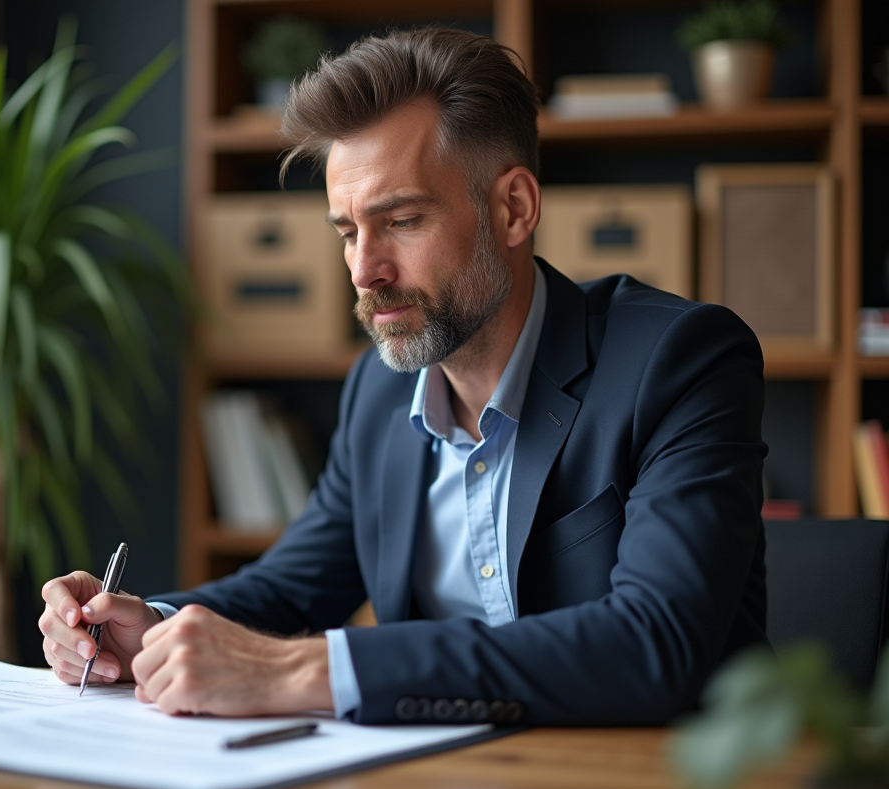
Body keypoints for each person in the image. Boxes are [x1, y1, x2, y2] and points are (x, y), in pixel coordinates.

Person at [38, 28, 768, 726]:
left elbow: (654, 643)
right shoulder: (379, 390)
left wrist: (300, 672)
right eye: (348, 231)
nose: (363, 270)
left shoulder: (680, 361)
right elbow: (293, 586)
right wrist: (149, 626)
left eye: (403, 221)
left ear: (513, 208)